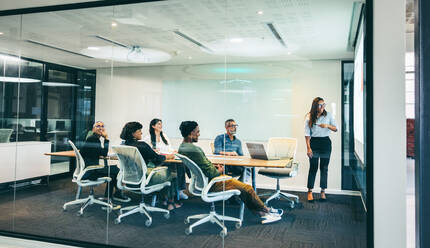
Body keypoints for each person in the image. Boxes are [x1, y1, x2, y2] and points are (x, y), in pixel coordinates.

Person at [178, 121, 283, 224]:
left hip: (201, 182)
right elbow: (212, 173)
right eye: (197, 131)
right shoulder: (195, 149)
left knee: (242, 188)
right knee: (247, 188)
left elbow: (199, 166)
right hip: (213, 182)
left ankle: (261, 212)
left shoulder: (182, 148)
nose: (199, 134)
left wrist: (214, 167)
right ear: (191, 133)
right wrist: (218, 170)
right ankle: (267, 210)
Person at [120, 121, 182, 210]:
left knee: (162, 172)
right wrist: (169, 156)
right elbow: (157, 159)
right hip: (144, 178)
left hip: (128, 179)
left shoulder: (123, 145)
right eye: (139, 131)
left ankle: (162, 199)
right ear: (133, 133)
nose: (141, 132)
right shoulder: (142, 145)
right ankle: (170, 203)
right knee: (172, 174)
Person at [80, 121, 129, 203]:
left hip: (88, 170)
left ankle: (110, 196)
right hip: (90, 171)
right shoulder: (93, 139)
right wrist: (106, 138)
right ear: (93, 129)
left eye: (102, 126)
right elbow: (104, 153)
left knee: (113, 170)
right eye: (98, 126)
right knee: (114, 170)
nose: (100, 128)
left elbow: (98, 153)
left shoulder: (92, 139)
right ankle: (117, 192)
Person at [143, 118, 189, 200]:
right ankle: (169, 194)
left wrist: (174, 151)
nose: (161, 125)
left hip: (167, 157)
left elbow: (169, 147)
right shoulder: (148, 137)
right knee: (177, 167)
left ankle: (180, 191)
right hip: (157, 161)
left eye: (161, 124)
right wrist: (152, 150)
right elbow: (145, 150)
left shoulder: (164, 135)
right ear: (153, 126)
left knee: (181, 164)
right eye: (159, 124)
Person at [304, 97, 337, 202]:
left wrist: (327, 125)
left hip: (325, 143)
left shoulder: (329, 115)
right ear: (315, 106)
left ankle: (323, 191)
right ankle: (310, 191)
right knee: (313, 167)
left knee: (324, 168)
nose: (323, 106)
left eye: (324, 104)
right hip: (314, 143)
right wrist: (308, 148)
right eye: (320, 105)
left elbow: (336, 128)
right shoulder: (309, 117)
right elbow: (307, 134)